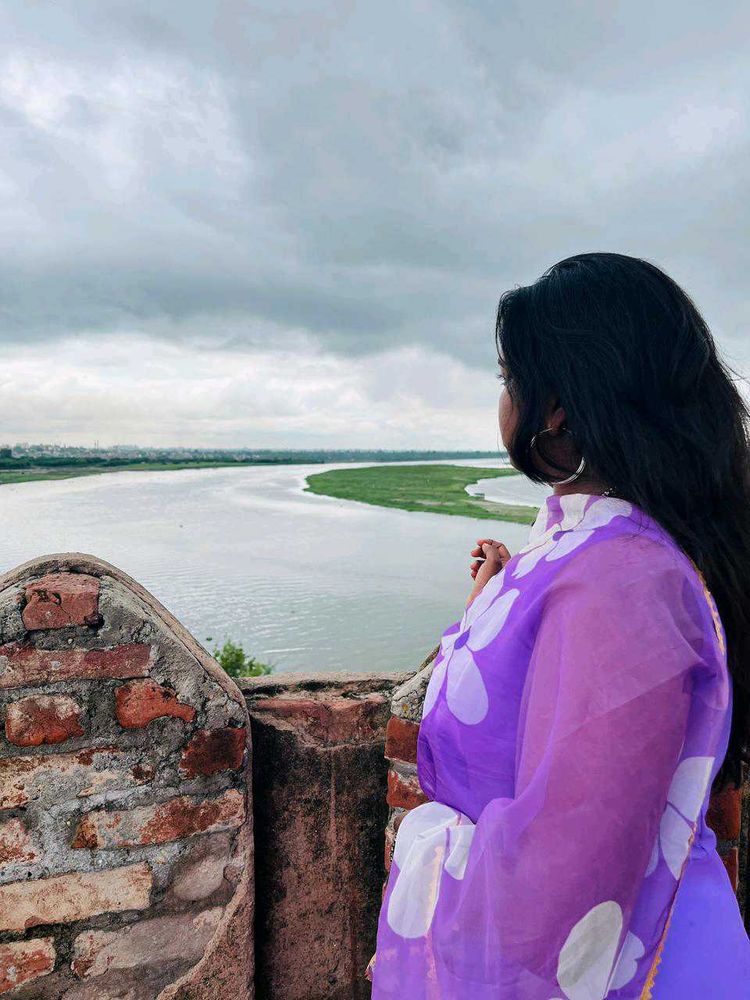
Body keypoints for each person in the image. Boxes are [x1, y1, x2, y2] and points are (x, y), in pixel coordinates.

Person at [367, 253, 750, 998]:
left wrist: (422, 842)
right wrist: (501, 603)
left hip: (639, 964)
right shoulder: (602, 553)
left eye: (510, 379)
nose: (503, 399)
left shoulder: (622, 580)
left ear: (555, 410)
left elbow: (555, 884)